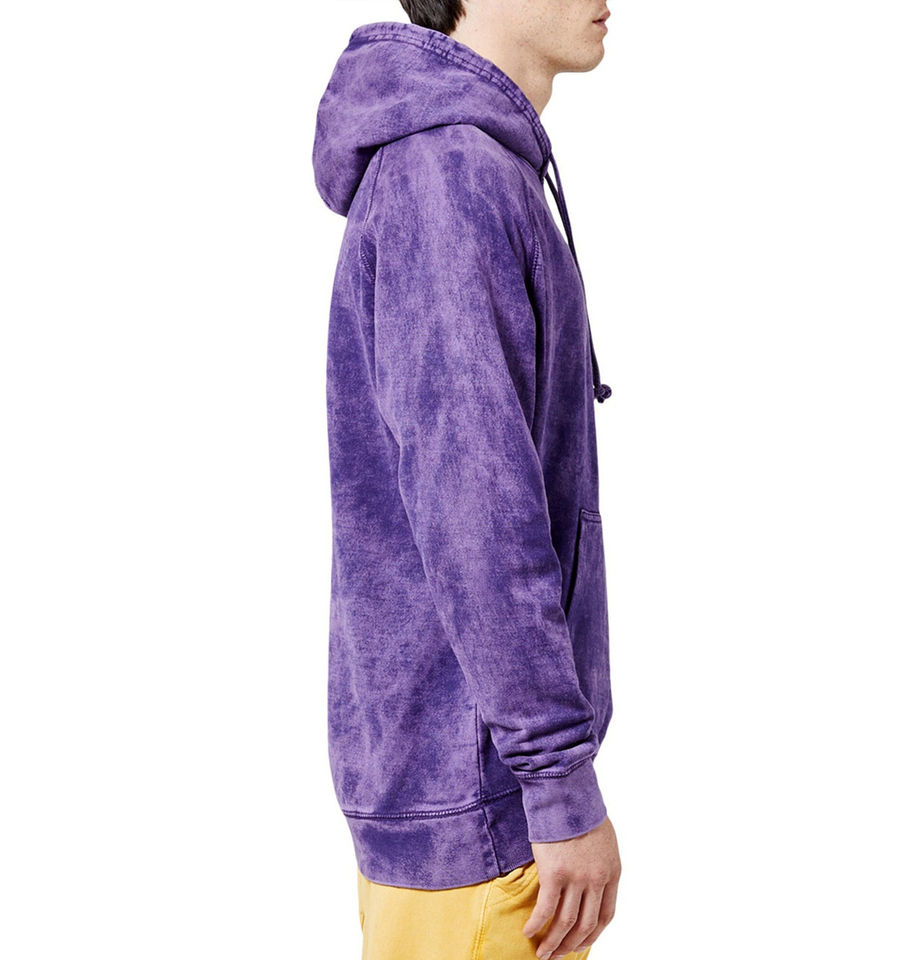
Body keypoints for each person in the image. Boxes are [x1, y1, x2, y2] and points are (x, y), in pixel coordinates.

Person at [311, 2, 620, 957]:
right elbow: (476, 516)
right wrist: (557, 783)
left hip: (475, 793)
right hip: (480, 817)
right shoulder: (447, 175)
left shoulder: (470, 167)